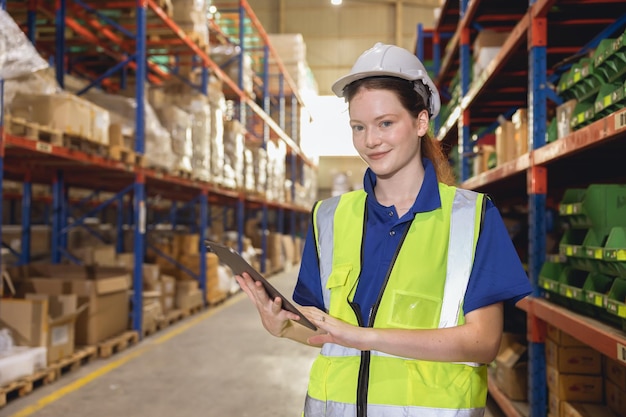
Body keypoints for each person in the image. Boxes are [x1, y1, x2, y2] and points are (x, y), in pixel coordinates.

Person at [236, 43, 532, 417]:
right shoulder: (328, 217)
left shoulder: (471, 217)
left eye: (385, 123)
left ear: (421, 122)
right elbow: (329, 334)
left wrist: (364, 338)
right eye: (358, 127)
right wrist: (283, 327)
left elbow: (484, 341)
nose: (370, 141)